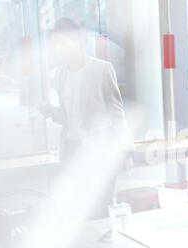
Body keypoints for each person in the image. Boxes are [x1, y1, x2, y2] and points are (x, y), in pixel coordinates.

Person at [39, 17, 134, 219]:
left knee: (100, 208)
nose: (58, 48)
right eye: (55, 44)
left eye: (62, 42)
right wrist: (51, 112)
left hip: (98, 150)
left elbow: (117, 113)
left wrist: (126, 150)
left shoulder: (102, 69)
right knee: (80, 209)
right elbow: (67, 117)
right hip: (72, 151)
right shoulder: (60, 74)